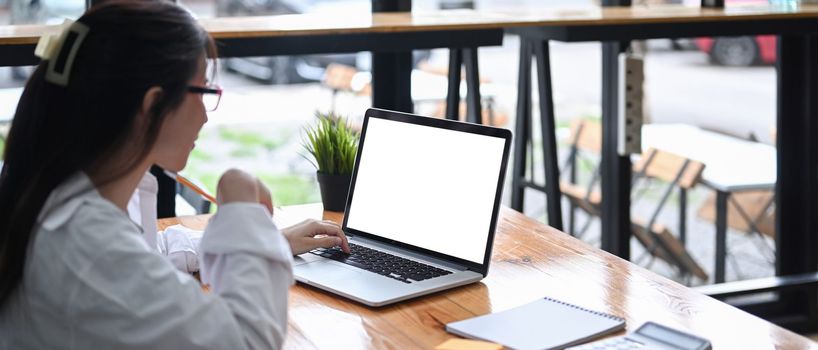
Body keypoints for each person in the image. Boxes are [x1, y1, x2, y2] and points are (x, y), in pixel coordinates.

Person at [0, 0, 349, 348]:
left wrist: (271, 242)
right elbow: (248, 340)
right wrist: (242, 208)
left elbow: (143, 255)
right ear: (153, 106)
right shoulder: (87, 249)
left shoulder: (58, 192)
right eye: (204, 91)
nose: (205, 116)